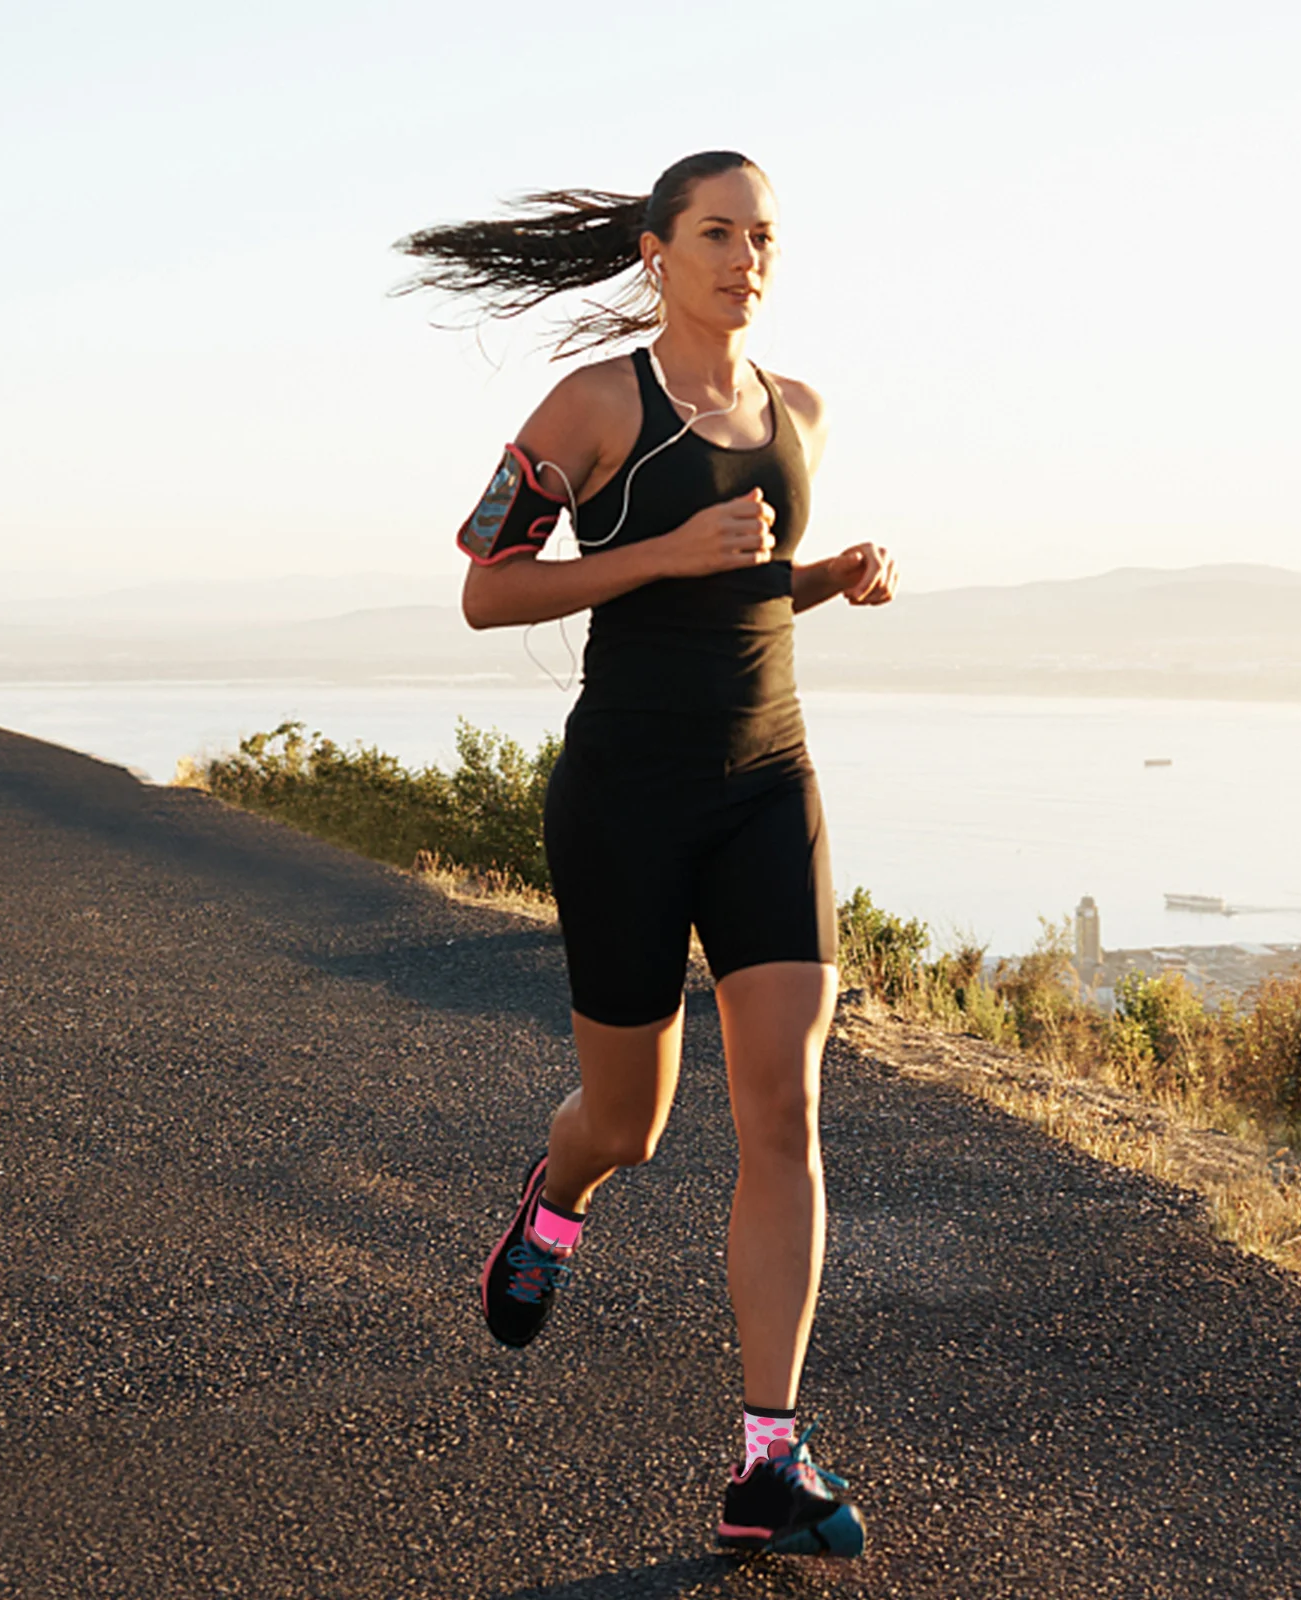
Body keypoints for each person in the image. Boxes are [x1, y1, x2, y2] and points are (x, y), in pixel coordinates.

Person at [399, 150, 898, 1558]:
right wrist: (666, 551)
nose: (747, 259)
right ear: (657, 253)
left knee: (784, 1109)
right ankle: (553, 1204)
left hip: (768, 786)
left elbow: (745, 592)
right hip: (625, 799)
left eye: (765, 237)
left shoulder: (801, 413)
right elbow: (487, 590)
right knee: (630, 1125)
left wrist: (823, 577)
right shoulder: (595, 406)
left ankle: (767, 1464)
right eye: (719, 234)